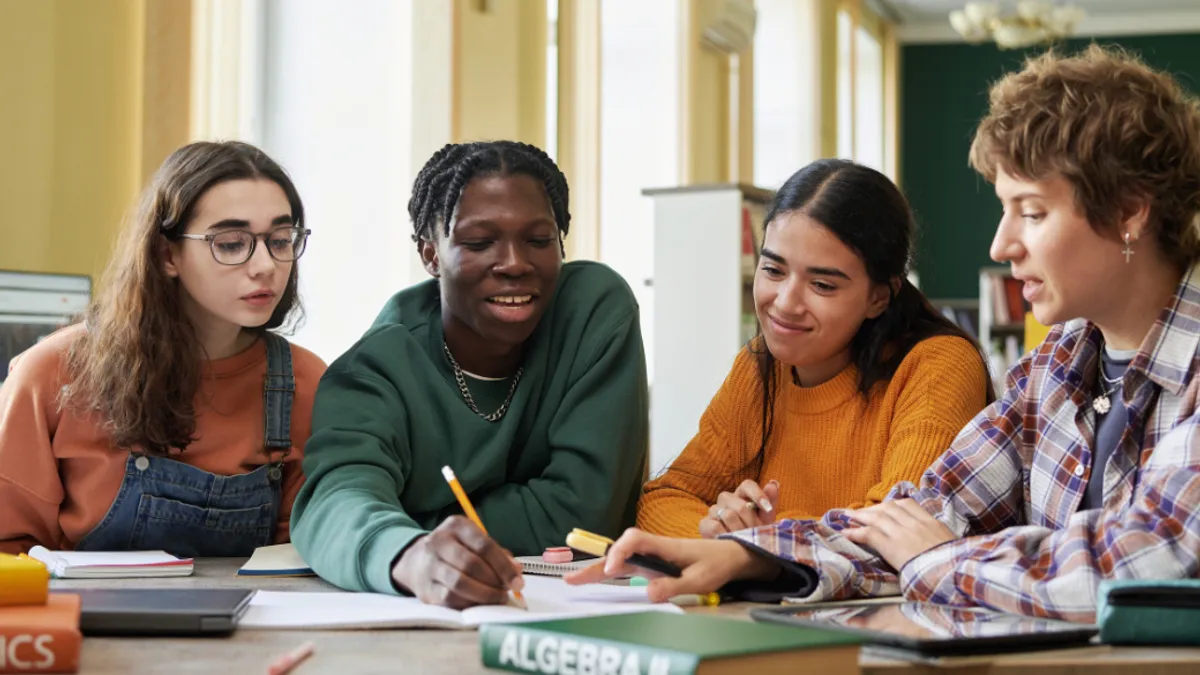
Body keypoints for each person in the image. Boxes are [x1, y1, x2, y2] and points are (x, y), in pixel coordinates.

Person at [568, 45, 1200, 623]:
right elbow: (917, 514)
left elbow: (1138, 564)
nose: (1001, 244)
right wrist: (746, 557)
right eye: (1004, 210)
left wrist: (941, 557)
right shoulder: (1055, 366)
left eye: (1031, 212)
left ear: (1128, 212)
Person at [291, 140, 648, 609]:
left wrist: (416, 516)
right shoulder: (376, 368)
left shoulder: (594, 313)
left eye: (539, 240)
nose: (515, 264)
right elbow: (335, 499)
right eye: (479, 243)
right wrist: (411, 553)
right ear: (430, 254)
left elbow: (583, 514)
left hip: (581, 612)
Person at [0, 141, 325, 557]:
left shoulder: (307, 384)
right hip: (87, 620)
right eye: (230, 243)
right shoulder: (51, 374)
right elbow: (9, 551)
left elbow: (301, 563)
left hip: (252, 620)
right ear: (166, 253)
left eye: (280, 240)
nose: (265, 265)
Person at [637, 159, 991, 539]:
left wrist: (765, 543)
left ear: (879, 297)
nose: (786, 303)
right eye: (773, 270)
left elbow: (898, 529)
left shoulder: (938, 365)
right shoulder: (760, 368)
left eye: (822, 284)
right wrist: (727, 537)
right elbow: (665, 499)